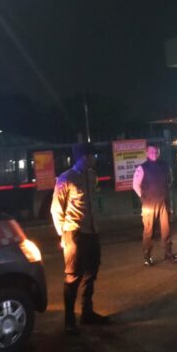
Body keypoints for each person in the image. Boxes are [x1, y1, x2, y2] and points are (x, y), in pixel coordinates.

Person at [51, 142, 110, 334]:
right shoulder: (66, 178)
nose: (95, 158)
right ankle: (69, 321)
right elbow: (56, 209)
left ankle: (87, 313)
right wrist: (63, 236)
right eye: (93, 155)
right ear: (84, 157)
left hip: (92, 232)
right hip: (75, 233)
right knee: (73, 276)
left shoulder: (92, 176)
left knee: (91, 273)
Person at [133, 144, 177, 266]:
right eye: (151, 152)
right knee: (148, 231)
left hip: (163, 202)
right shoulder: (142, 168)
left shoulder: (165, 165)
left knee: (166, 229)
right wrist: (144, 197)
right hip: (149, 204)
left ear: (159, 153)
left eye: (156, 151)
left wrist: (164, 193)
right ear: (147, 153)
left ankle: (168, 253)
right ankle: (147, 256)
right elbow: (135, 185)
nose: (154, 154)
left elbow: (170, 180)